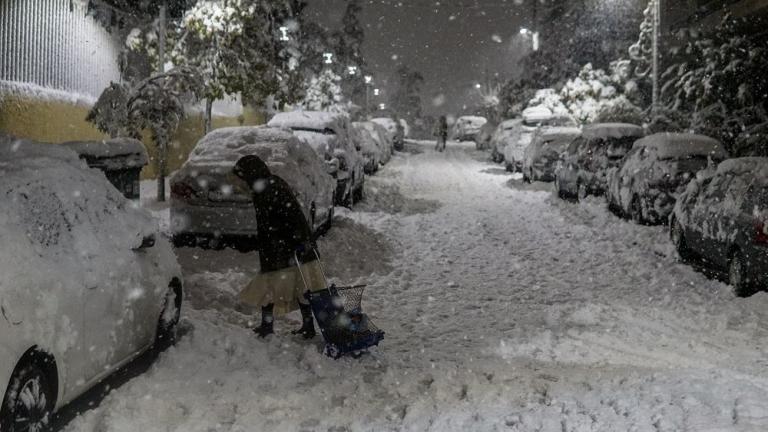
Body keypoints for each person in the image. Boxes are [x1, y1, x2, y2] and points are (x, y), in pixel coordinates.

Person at [233, 155, 327, 339]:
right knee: (298, 285)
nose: (240, 183)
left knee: (277, 284)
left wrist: (298, 242)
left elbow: (289, 217)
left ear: (250, 174)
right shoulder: (269, 184)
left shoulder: (267, 190)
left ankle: (270, 326)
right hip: (284, 244)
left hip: (286, 245)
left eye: (241, 177)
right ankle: (305, 325)